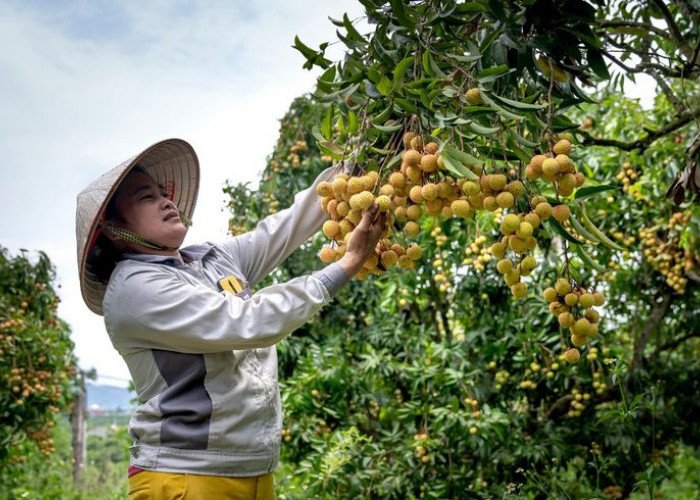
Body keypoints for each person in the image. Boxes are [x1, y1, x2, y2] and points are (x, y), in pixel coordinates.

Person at [75, 138, 385, 499]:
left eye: (164, 192)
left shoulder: (210, 260)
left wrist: (357, 163)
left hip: (252, 468)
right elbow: (247, 322)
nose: (166, 200)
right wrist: (347, 263)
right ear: (113, 229)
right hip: (184, 477)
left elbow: (284, 229)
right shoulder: (135, 289)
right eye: (147, 197)